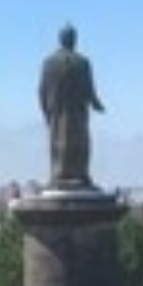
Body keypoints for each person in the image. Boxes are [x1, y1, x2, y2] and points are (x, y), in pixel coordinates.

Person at [39, 24, 103, 189]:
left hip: (57, 113)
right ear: (73, 39)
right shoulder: (82, 62)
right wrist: (97, 104)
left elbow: (42, 90)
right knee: (80, 144)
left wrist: (46, 112)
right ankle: (80, 174)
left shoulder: (49, 62)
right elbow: (90, 89)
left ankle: (57, 174)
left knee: (57, 142)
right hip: (77, 114)